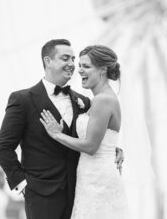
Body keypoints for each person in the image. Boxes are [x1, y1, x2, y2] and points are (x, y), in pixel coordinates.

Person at [0, 39, 124, 219]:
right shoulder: (23, 100)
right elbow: (3, 147)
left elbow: (94, 135)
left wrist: (113, 149)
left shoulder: (85, 102)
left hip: (80, 190)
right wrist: (23, 184)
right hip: (41, 196)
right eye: (66, 59)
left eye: (73, 59)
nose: (72, 65)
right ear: (48, 61)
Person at [39, 44, 129, 219]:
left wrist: (57, 134)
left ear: (103, 70)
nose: (79, 70)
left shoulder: (103, 100)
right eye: (79, 65)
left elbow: (91, 146)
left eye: (86, 66)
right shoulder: (97, 100)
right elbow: (104, 138)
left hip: (98, 179)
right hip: (90, 176)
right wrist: (116, 148)